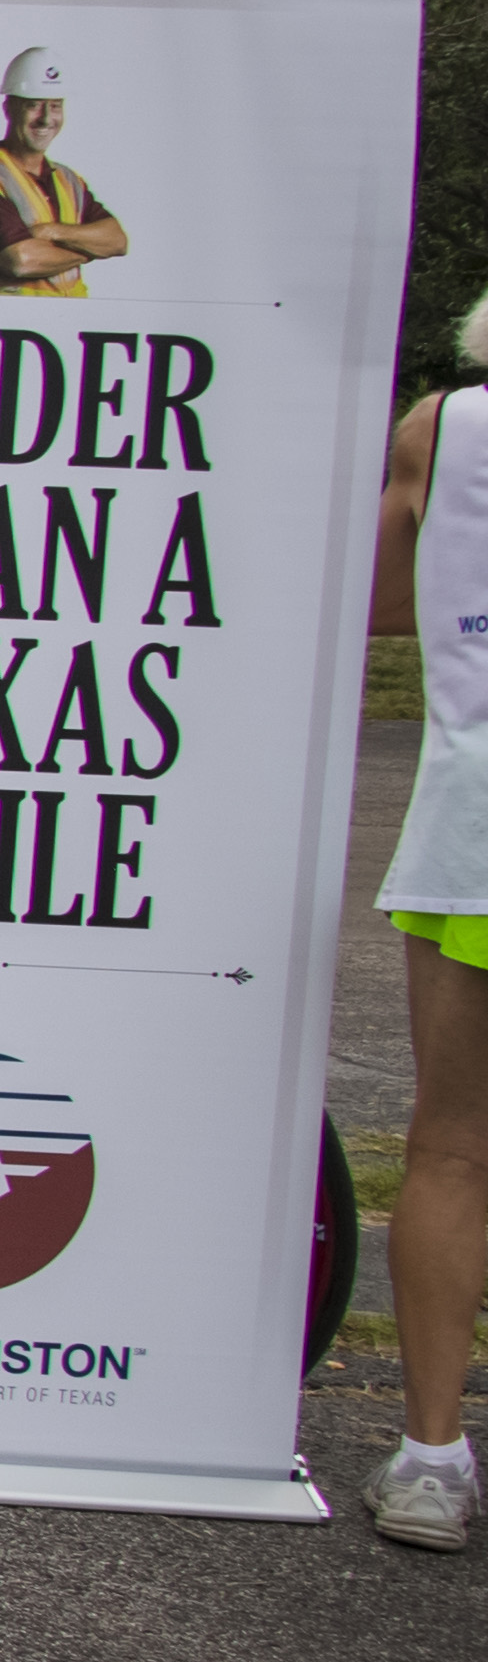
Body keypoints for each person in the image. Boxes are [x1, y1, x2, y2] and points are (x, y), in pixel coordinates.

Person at [363, 311, 488, 1549]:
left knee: (454, 1150)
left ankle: (431, 1454)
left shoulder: (447, 429)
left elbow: (384, 607)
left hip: (478, 827)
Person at [0, 44, 129, 299]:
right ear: (8, 109)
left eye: (55, 106)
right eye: (34, 105)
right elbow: (22, 260)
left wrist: (52, 232)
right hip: (9, 329)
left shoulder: (69, 180)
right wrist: (91, 249)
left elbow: (117, 240)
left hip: (68, 326)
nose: (45, 118)